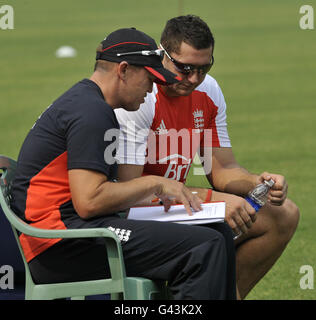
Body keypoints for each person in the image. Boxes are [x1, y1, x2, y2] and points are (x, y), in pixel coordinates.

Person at [10, 27, 237, 300]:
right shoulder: (92, 113)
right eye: (150, 78)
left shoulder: (86, 102)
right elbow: (90, 201)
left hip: (69, 233)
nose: (153, 88)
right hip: (58, 245)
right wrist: (156, 183)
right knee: (203, 247)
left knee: (216, 232)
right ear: (124, 70)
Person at [114, 16, 300, 299]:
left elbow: (223, 169)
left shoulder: (208, 90)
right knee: (223, 223)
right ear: (163, 54)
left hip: (176, 207)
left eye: (204, 68)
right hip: (136, 214)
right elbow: (128, 193)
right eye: (184, 68)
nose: (194, 79)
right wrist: (213, 202)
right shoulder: (141, 96)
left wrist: (256, 182)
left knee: (283, 215)